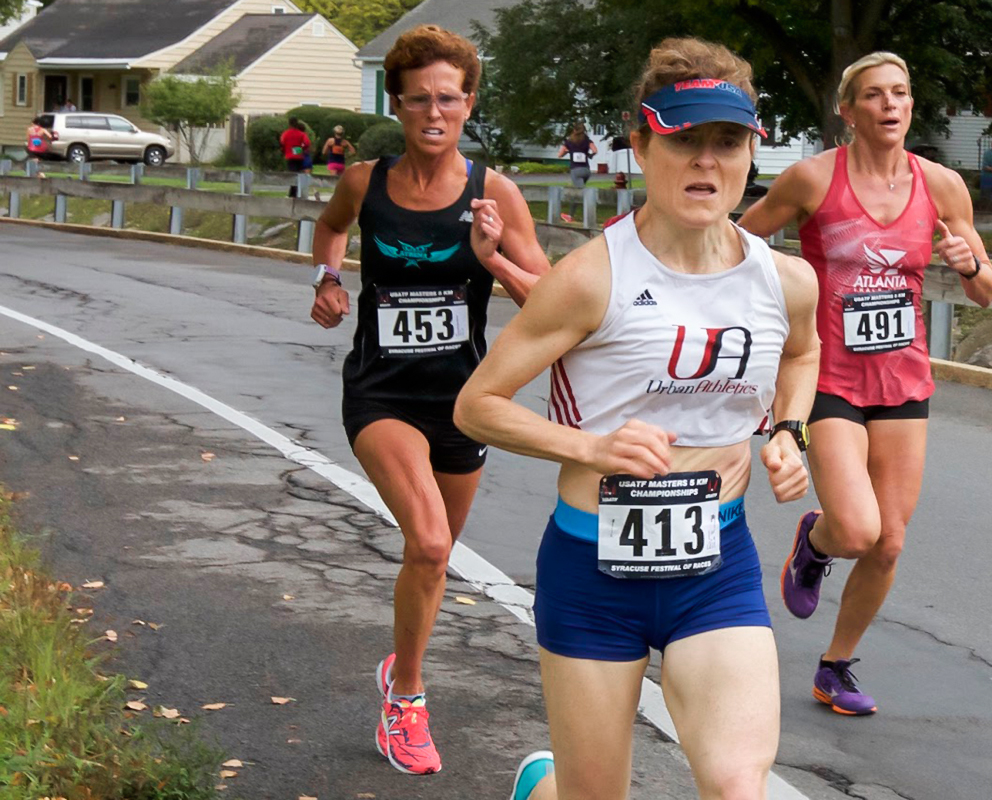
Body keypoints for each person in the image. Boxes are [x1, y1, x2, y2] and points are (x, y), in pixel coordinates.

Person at [454, 37, 821, 800]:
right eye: (684, 141)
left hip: (715, 567)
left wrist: (788, 431)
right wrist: (593, 445)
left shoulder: (785, 280)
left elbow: (802, 355)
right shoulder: (591, 279)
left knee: (737, 788)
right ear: (641, 143)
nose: (706, 163)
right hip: (593, 574)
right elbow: (477, 406)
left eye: (727, 143)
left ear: (753, 150)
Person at [307, 23, 550, 775]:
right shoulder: (364, 181)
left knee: (433, 561)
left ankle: (398, 668)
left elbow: (550, 299)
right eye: (419, 101)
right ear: (398, 104)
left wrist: (494, 255)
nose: (433, 114)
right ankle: (406, 700)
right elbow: (329, 228)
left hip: (463, 400)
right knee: (433, 542)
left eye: (448, 99)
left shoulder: (495, 192)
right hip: (380, 393)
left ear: (468, 104)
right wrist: (325, 278)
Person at [740, 51, 992, 716]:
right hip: (828, 373)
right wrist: (789, 299)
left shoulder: (941, 186)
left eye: (902, 94)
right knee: (855, 531)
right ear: (847, 110)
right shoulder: (810, 180)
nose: (891, 105)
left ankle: (835, 666)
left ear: (912, 105)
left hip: (903, 378)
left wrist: (970, 264)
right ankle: (816, 542)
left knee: (890, 539)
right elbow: (739, 245)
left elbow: (987, 293)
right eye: (876, 95)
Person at [556, 122, 598, 222]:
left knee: (577, 193)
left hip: (576, 170)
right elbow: (595, 150)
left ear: (574, 130)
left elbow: (560, 155)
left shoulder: (569, 141)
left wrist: (567, 151)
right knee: (580, 190)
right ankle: (578, 213)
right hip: (586, 170)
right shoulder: (587, 140)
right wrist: (590, 155)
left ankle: (572, 215)